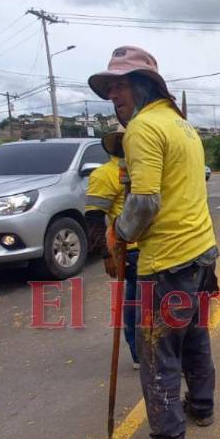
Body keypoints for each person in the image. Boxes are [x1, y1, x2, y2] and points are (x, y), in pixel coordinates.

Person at [89, 45, 220, 439]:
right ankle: (200, 406)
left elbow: (144, 203)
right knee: (195, 338)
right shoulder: (182, 126)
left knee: (157, 354)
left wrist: (117, 236)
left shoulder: (143, 129)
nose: (113, 96)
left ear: (144, 85)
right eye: (109, 88)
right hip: (201, 255)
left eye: (121, 86)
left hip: (167, 262)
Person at [85, 131, 141, 371]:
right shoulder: (105, 175)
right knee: (138, 303)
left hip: (153, 247)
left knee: (139, 301)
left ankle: (143, 351)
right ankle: (140, 352)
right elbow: (94, 218)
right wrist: (106, 254)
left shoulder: (141, 170)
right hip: (129, 251)